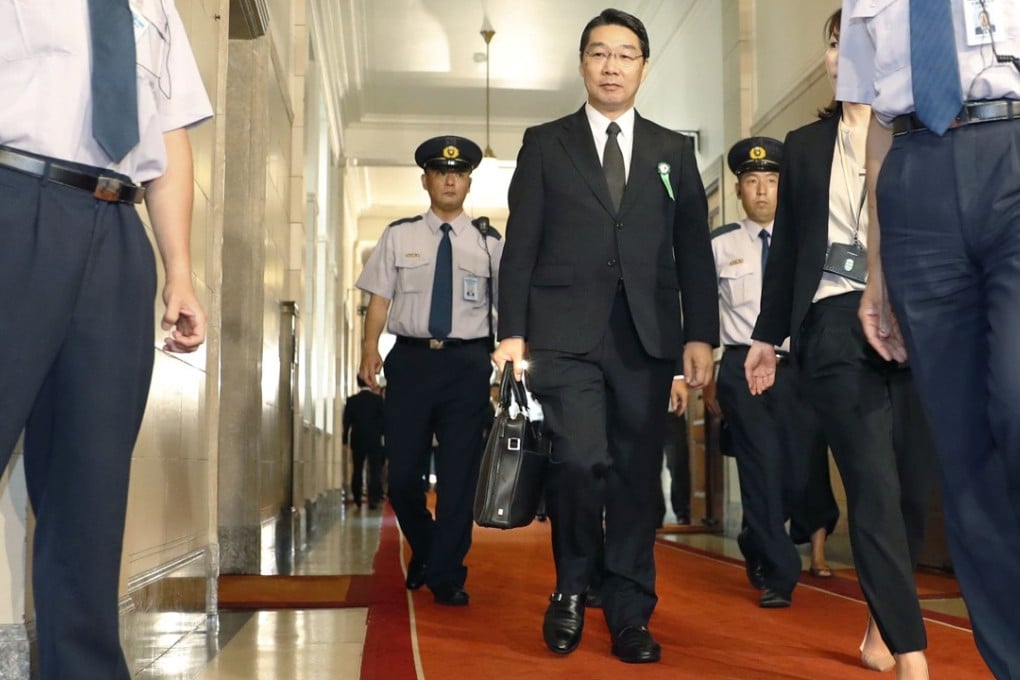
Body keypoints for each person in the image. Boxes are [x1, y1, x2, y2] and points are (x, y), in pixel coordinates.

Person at [492, 8, 718, 664]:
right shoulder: (546, 142)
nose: (612, 65)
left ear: (644, 66)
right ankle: (570, 587)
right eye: (600, 53)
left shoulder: (674, 150)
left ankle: (629, 611)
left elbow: (692, 252)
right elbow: (521, 245)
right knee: (581, 461)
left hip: (646, 340)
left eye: (626, 54)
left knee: (636, 480)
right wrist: (512, 334)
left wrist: (698, 335)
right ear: (583, 63)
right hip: (563, 335)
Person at [0, 2, 211, 677]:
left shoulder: (155, 8)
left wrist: (179, 269)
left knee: (90, 489)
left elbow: (170, 135)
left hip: (118, 229)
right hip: (14, 199)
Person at [745, 8, 933, 678]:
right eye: (836, 42)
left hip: (914, 325)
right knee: (876, 490)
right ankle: (913, 656)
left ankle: (884, 622)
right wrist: (767, 336)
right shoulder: (801, 145)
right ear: (828, 58)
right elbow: (789, 247)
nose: (846, 54)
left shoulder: (919, 135)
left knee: (912, 492)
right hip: (831, 320)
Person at [838, 1, 1020, 677]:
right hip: (916, 182)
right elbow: (877, 128)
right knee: (965, 453)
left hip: (1013, 154)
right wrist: (876, 269)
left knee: (1017, 399)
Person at [357, 135, 502, 607]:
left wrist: (506, 365)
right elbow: (379, 299)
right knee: (402, 477)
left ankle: (446, 574)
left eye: (457, 173)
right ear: (426, 180)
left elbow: (506, 311)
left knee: (460, 476)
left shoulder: (489, 243)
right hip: (412, 362)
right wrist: (368, 350)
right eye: (440, 172)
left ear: (468, 182)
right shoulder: (399, 235)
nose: (449, 179)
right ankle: (429, 546)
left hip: (467, 365)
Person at [710, 137, 816, 609]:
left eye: (771, 181)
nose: (762, 191)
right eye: (752, 182)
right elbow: (702, 312)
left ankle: (758, 534)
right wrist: (705, 371)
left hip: (799, 369)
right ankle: (780, 573)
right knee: (760, 466)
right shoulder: (720, 245)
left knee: (797, 472)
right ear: (738, 190)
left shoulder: (808, 241)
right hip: (741, 367)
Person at [342, 376, 386, 509]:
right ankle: (373, 499)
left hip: (357, 439)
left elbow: (346, 422)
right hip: (374, 440)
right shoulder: (378, 400)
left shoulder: (352, 401)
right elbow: (384, 421)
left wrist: (345, 439)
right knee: (374, 470)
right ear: (370, 382)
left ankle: (357, 498)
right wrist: (383, 435)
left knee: (357, 468)